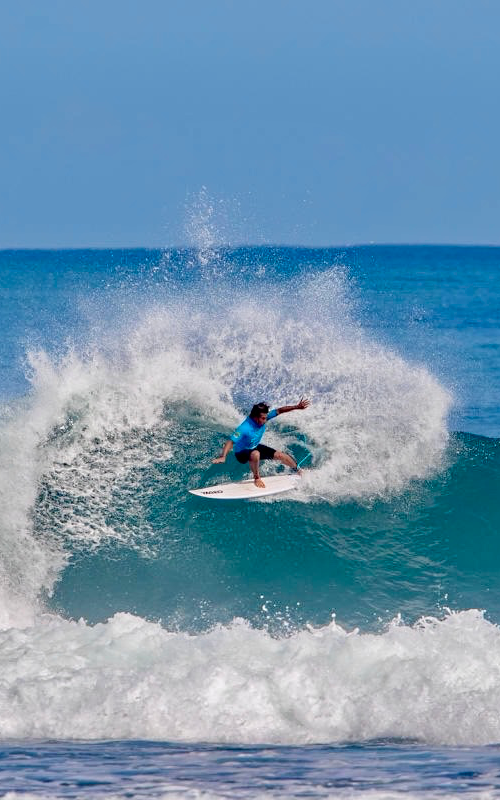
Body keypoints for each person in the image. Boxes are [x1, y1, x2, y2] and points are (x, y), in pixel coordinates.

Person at [212, 397, 310, 488]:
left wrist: (297, 407)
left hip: (254, 446)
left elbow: (279, 410)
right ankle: (257, 478)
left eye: (266, 417)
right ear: (255, 417)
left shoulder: (263, 417)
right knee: (256, 454)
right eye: (263, 418)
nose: (265, 420)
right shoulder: (244, 428)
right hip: (241, 453)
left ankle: (298, 470)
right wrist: (223, 456)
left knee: (281, 455)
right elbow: (231, 441)